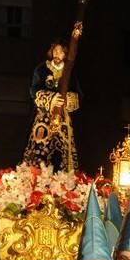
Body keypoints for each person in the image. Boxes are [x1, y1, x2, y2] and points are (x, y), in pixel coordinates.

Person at [23, 37, 82, 171]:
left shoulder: (70, 72)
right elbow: (34, 90)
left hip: (63, 117)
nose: (57, 54)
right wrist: (52, 99)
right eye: (55, 51)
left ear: (65, 54)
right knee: (39, 148)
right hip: (44, 116)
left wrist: (66, 100)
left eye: (60, 52)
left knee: (64, 152)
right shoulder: (42, 69)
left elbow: (78, 94)